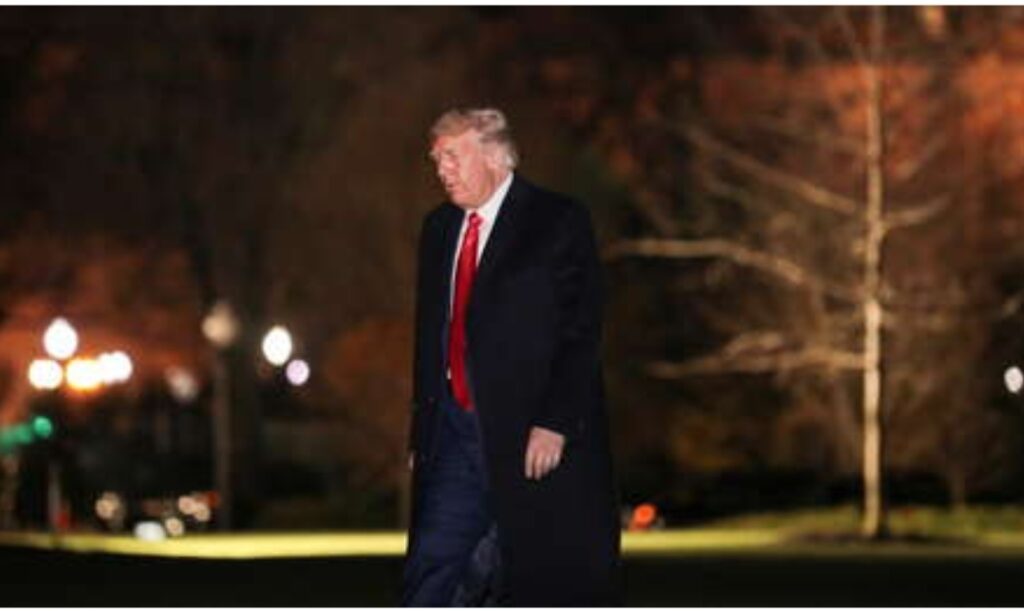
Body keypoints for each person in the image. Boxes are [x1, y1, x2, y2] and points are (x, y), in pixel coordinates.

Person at [402, 107, 621, 606]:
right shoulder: (438, 229)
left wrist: (555, 420)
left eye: (453, 156)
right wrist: (422, 430)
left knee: (530, 576)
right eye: (437, 160)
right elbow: (430, 337)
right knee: (430, 572)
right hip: (454, 436)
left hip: (528, 439)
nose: (442, 170)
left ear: (496, 156)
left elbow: (581, 330)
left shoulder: (557, 220)